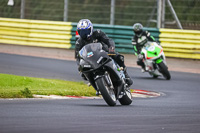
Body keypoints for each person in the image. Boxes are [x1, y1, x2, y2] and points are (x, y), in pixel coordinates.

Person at [75, 19, 133, 87]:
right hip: (91, 58)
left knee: (119, 57)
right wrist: (79, 65)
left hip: (104, 52)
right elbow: (78, 56)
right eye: (81, 32)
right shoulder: (79, 42)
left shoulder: (97, 33)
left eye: (85, 31)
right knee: (84, 73)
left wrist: (111, 48)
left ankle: (126, 75)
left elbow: (108, 40)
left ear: (90, 29)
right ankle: (96, 84)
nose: (84, 34)